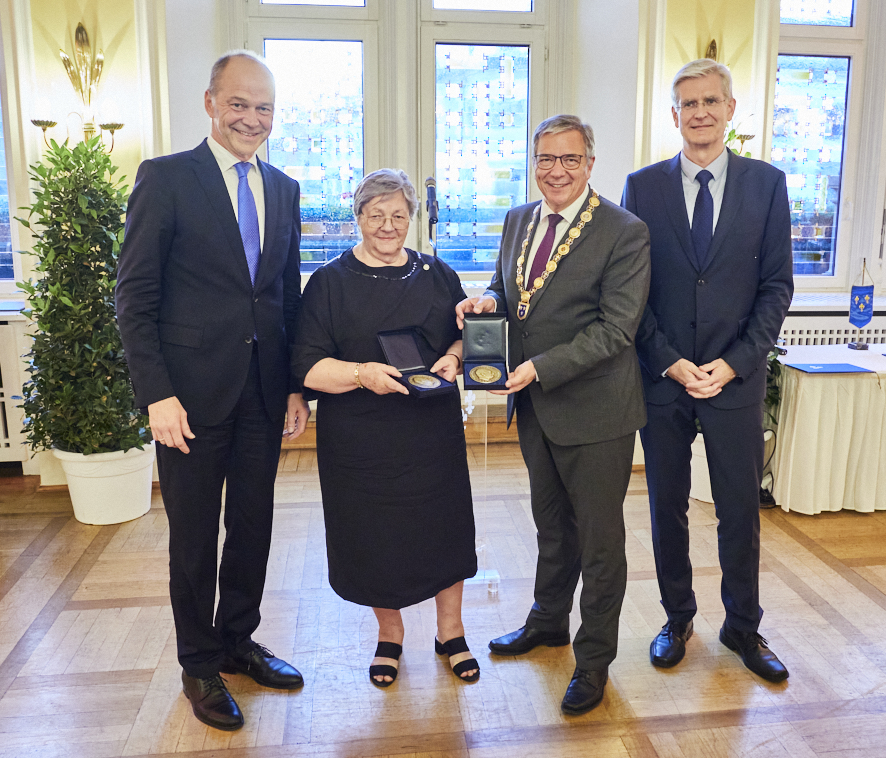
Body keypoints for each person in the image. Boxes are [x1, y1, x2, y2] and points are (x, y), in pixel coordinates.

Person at [116, 51, 309, 731]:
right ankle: (198, 663)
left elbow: (285, 296)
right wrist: (156, 395)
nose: (252, 118)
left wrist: (295, 388)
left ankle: (237, 641)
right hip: (188, 401)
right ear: (210, 103)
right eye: (239, 104)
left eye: (264, 107)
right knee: (194, 537)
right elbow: (134, 297)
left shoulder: (284, 188)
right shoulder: (167, 179)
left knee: (254, 527)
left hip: (263, 394)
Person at [457, 115, 650, 715]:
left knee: (599, 542)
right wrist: (488, 299)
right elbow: (509, 288)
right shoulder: (519, 219)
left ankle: (593, 661)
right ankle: (548, 621)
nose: (556, 170)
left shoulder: (624, 231)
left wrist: (539, 367)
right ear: (534, 163)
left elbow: (616, 329)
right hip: (537, 408)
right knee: (551, 526)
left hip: (596, 412)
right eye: (546, 159)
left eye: (569, 159)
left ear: (590, 163)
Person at [622, 59, 793, 682]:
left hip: (734, 382)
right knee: (666, 507)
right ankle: (677, 618)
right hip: (665, 383)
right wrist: (669, 362)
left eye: (710, 101)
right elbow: (631, 292)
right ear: (674, 115)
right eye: (688, 104)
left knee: (739, 511)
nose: (700, 112)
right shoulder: (642, 188)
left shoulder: (767, 185)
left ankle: (743, 626)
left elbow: (776, 287)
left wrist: (736, 363)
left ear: (730, 109)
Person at [292, 169, 479, 688]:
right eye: (376, 215)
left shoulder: (438, 274)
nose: (388, 225)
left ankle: (451, 631)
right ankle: (389, 634)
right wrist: (361, 374)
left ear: (412, 218)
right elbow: (307, 366)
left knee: (445, 530)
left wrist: (454, 356)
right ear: (358, 217)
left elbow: (463, 338)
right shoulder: (329, 283)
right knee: (373, 536)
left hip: (431, 433)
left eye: (399, 215)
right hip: (360, 437)